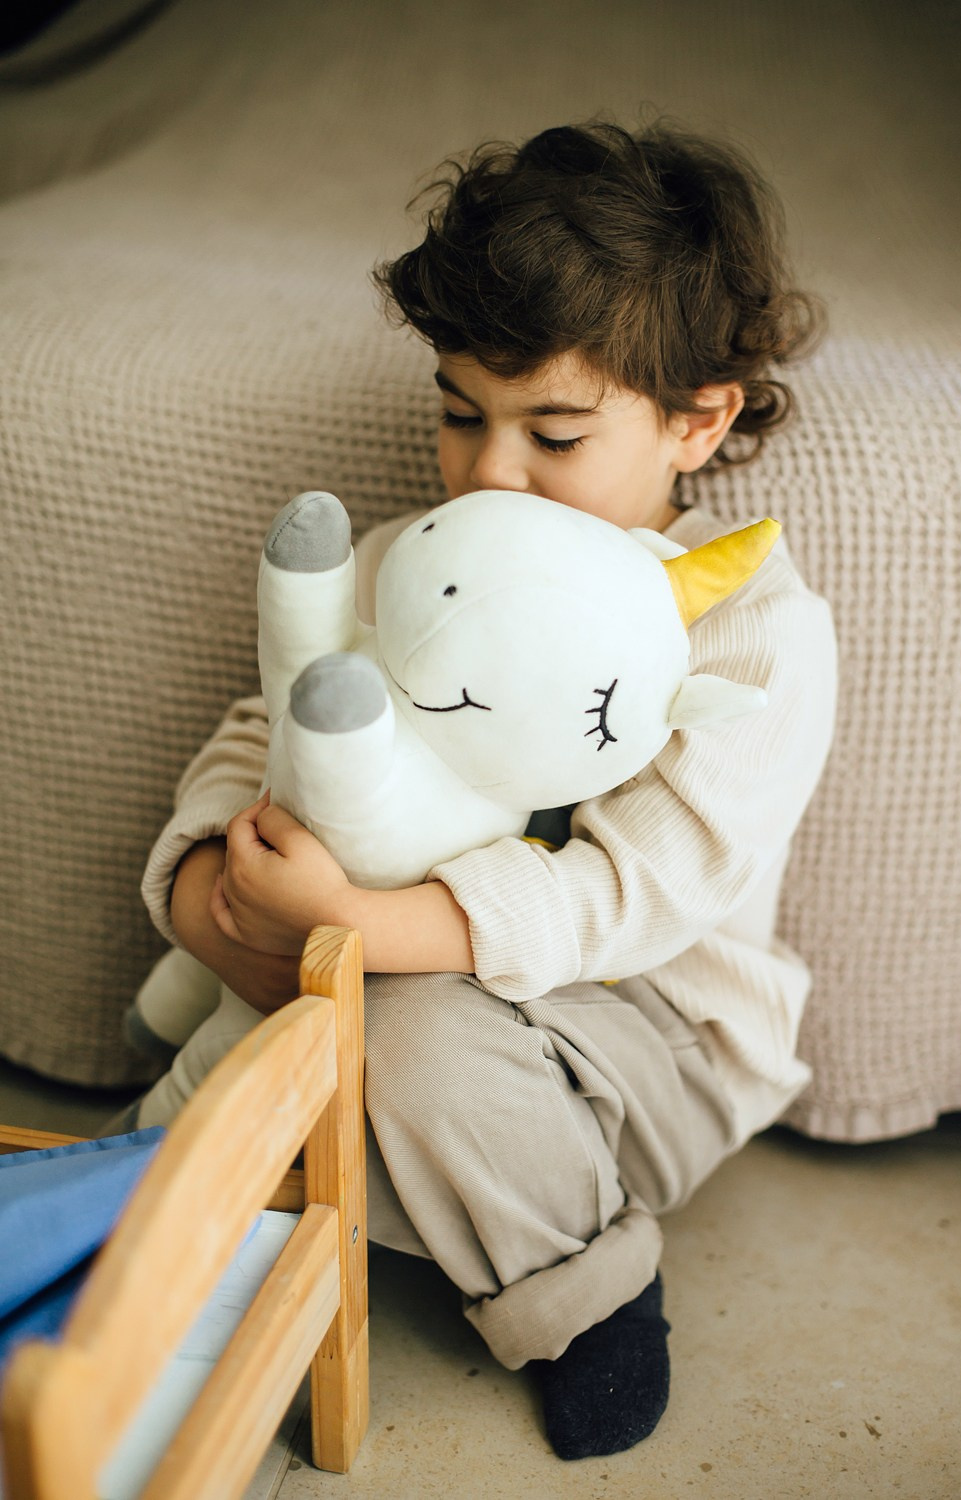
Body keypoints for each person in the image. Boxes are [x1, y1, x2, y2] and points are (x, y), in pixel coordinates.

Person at [134, 121, 837, 1460]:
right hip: (366, 966)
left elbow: (638, 893)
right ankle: (254, 1226)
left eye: (554, 433)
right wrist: (206, 893)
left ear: (700, 420)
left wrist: (351, 928)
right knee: (288, 1052)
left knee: (404, 1042)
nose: (491, 471)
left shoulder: (754, 632)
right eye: (461, 413)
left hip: (651, 1039)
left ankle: (584, 1292)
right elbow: (272, 723)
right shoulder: (423, 557)